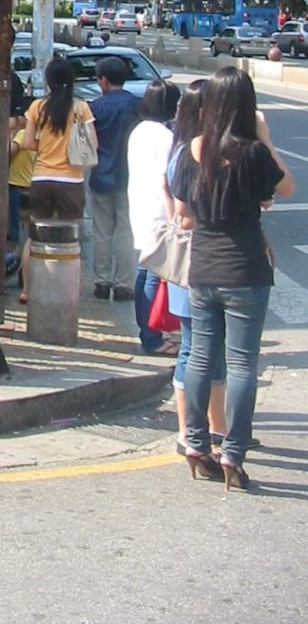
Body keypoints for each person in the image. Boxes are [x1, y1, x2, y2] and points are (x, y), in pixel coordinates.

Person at [173, 67, 293, 488]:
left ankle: (195, 443)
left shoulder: (192, 149)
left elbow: (183, 212)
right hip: (245, 269)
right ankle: (233, 454)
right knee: (242, 363)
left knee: (201, 357)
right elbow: (287, 187)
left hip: (203, 269)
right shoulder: (253, 153)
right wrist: (266, 137)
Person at [166, 79, 227, 454]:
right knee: (195, 347)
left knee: (208, 348)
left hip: (200, 261)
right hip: (195, 260)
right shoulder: (187, 154)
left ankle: (214, 427)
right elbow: (182, 216)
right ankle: (189, 430)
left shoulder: (189, 150)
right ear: (202, 110)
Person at [21, 56, 97, 303]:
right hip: (71, 181)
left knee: (35, 236)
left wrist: (45, 148)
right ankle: (66, 292)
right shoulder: (81, 108)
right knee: (70, 239)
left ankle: (27, 290)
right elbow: (93, 144)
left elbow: (27, 142)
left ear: (48, 80)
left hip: (42, 178)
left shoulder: (37, 107)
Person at [126, 79, 181, 355]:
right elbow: (165, 182)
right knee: (153, 273)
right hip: (158, 210)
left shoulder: (139, 130)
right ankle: (151, 337)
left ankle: (148, 331)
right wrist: (175, 220)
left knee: (145, 269)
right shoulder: (164, 136)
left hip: (140, 204)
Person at [88, 57, 140, 301]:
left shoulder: (94, 108)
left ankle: (101, 281)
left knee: (102, 231)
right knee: (126, 231)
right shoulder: (137, 106)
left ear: (104, 81)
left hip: (101, 175)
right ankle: (124, 285)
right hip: (130, 177)